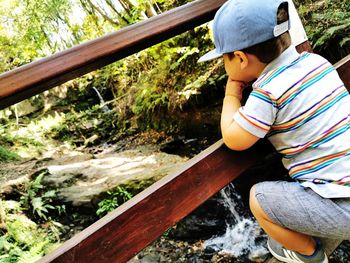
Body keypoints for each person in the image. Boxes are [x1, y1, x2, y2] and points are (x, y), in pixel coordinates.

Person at [198, 0, 350, 262]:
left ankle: (311, 255)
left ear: (241, 59)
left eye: (224, 58)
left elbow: (234, 138)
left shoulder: (267, 92)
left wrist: (232, 93)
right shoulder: (317, 62)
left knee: (258, 198)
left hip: (343, 209)